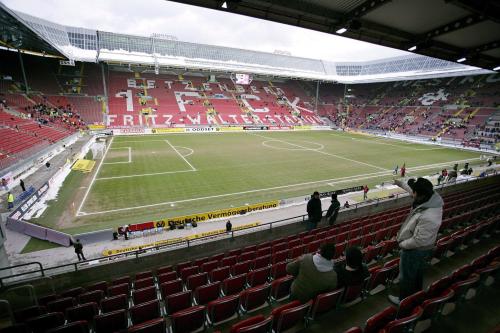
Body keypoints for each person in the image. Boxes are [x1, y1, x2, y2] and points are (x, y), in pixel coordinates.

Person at [388, 177, 443, 305]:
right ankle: (416, 296)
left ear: (421, 195)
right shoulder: (429, 197)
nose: (412, 194)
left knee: (406, 277)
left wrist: (402, 244)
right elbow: (412, 190)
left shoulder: (429, 215)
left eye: (414, 193)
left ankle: (404, 301)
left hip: (415, 250)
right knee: (417, 274)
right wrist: (400, 183)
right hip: (422, 248)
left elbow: (419, 240)